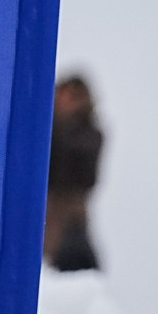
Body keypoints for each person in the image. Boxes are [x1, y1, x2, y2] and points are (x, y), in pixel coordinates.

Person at [47, 74, 105, 272]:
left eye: (73, 97)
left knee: (77, 267)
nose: (65, 101)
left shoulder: (90, 134)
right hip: (43, 208)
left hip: (70, 216)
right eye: (61, 95)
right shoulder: (42, 130)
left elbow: (82, 176)